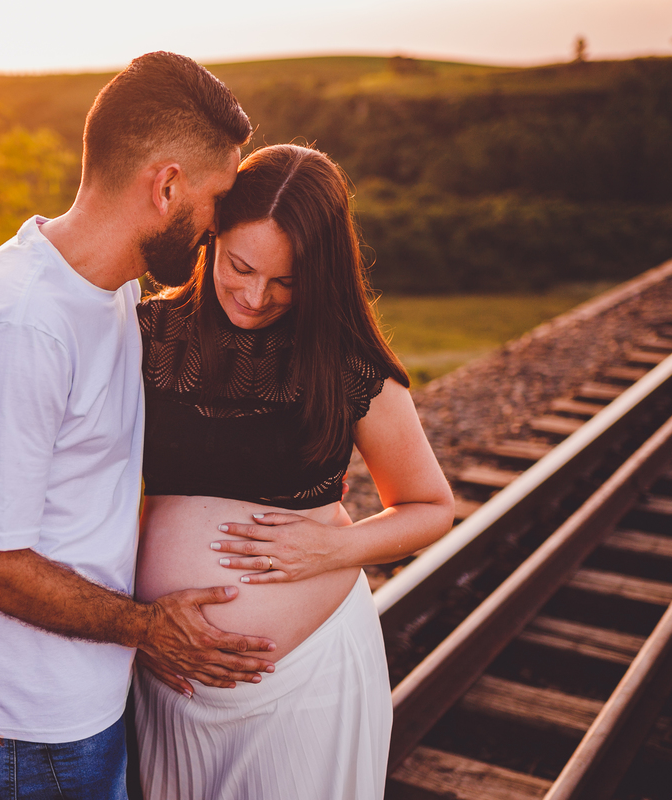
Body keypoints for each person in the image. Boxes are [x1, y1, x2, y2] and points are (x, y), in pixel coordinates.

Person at [0, 52, 279, 800]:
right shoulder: (19, 327)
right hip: (37, 722)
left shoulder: (111, 286)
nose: (219, 225)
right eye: (217, 198)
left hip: (87, 688)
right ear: (167, 186)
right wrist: (147, 627)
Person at [133, 144, 455, 799]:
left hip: (307, 686)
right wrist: (131, 625)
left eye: (285, 281)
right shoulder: (143, 334)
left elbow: (429, 506)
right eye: (239, 267)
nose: (254, 297)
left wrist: (337, 546)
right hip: (170, 677)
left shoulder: (347, 364)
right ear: (209, 239)